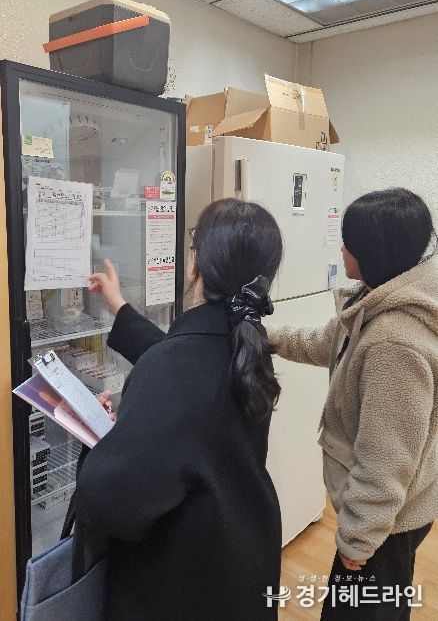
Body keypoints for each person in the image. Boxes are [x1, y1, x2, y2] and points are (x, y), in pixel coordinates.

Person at [74, 198, 284, 621]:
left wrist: (104, 440)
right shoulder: (246, 339)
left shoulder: (175, 365)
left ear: (195, 265)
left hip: (178, 582)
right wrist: (119, 306)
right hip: (243, 555)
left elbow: (108, 503)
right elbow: (182, 364)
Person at [266, 188, 438, 620]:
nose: (341, 250)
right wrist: (265, 337)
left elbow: (387, 460)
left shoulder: (393, 344)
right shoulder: (376, 298)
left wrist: (359, 539)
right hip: (387, 515)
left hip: (386, 523)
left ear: (373, 252)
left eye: (349, 243)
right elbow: (325, 342)